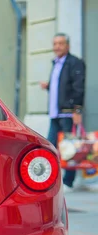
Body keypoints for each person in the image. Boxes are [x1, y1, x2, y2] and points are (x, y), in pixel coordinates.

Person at [40, 33, 86, 189]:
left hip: (68, 113)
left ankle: (68, 182)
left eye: (60, 43)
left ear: (68, 46)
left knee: (69, 148)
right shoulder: (56, 63)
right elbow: (62, 87)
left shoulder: (75, 63)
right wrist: (49, 87)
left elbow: (78, 88)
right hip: (55, 113)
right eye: (55, 44)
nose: (57, 47)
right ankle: (51, 179)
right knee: (49, 146)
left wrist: (77, 111)